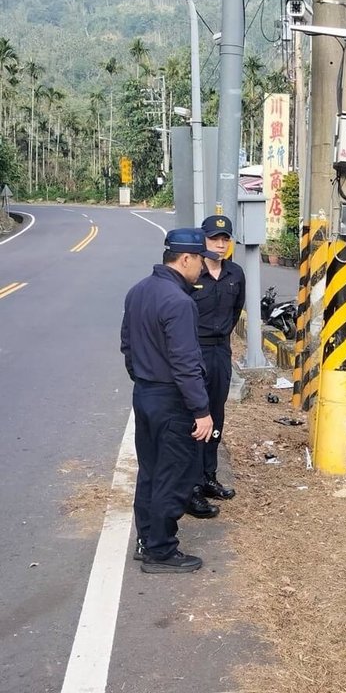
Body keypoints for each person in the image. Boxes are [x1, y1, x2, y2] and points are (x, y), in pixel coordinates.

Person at [120, 227, 217, 574]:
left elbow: (128, 347)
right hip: (171, 399)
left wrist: (143, 379)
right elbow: (186, 363)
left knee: (149, 471)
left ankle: (147, 539)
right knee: (174, 474)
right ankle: (160, 550)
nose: (203, 269)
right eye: (201, 261)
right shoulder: (179, 302)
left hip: (144, 393)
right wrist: (202, 411)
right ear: (186, 258)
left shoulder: (138, 291)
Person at [186, 214, 245, 516]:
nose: (220, 244)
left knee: (216, 417)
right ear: (203, 240)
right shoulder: (193, 274)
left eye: (225, 239)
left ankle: (209, 476)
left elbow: (236, 313)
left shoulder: (235, 273)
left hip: (221, 352)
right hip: (195, 352)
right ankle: (192, 487)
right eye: (214, 239)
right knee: (197, 419)